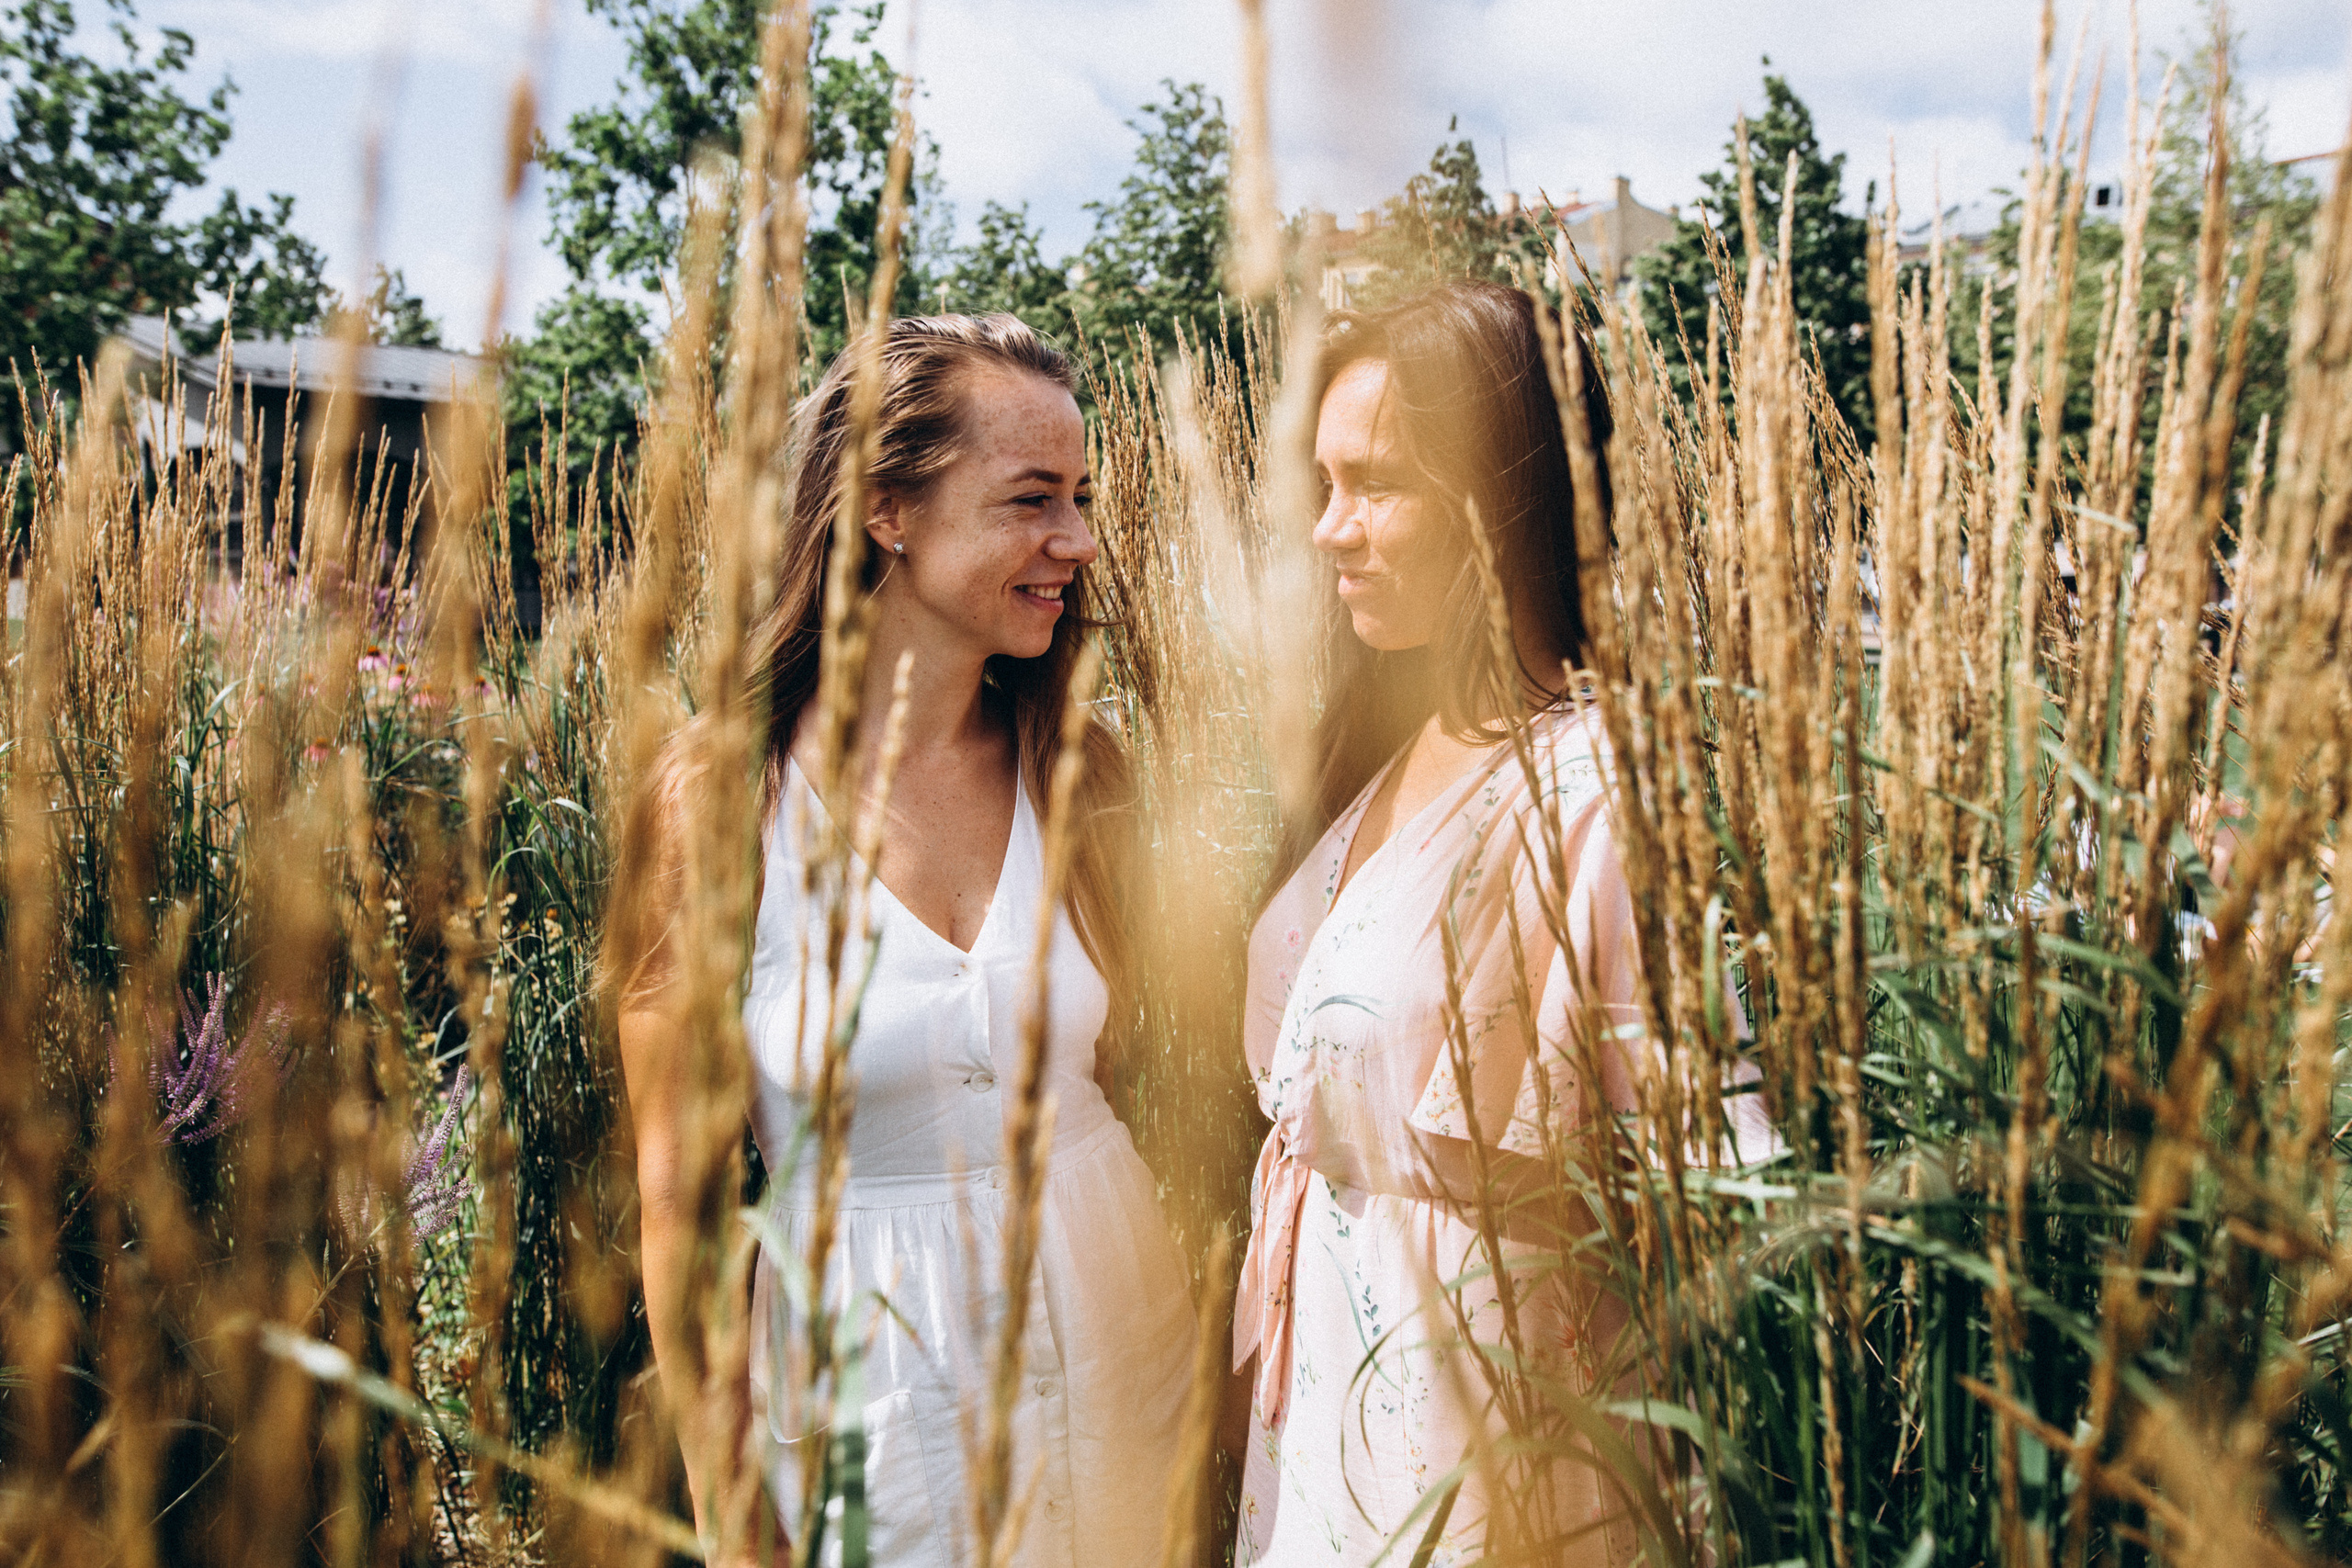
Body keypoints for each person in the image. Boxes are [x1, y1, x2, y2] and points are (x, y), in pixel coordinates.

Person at [614, 314, 1196, 1566]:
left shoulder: (1086, 772)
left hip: (1117, 1343)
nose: (1078, 543)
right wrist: (730, 1526)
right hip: (873, 1397)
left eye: (1081, 497)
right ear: (889, 510)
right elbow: (677, 1206)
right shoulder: (714, 807)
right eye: (1032, 499)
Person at [1228, 281, 1767, 1565]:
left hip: (1490, 1429)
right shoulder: (1387, 759)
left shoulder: (1604, 790)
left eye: (1377, 485)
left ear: (1500, 496)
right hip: (1323, 1411)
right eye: (1322, 483)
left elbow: (1708, 1189)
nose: (1329, 530)